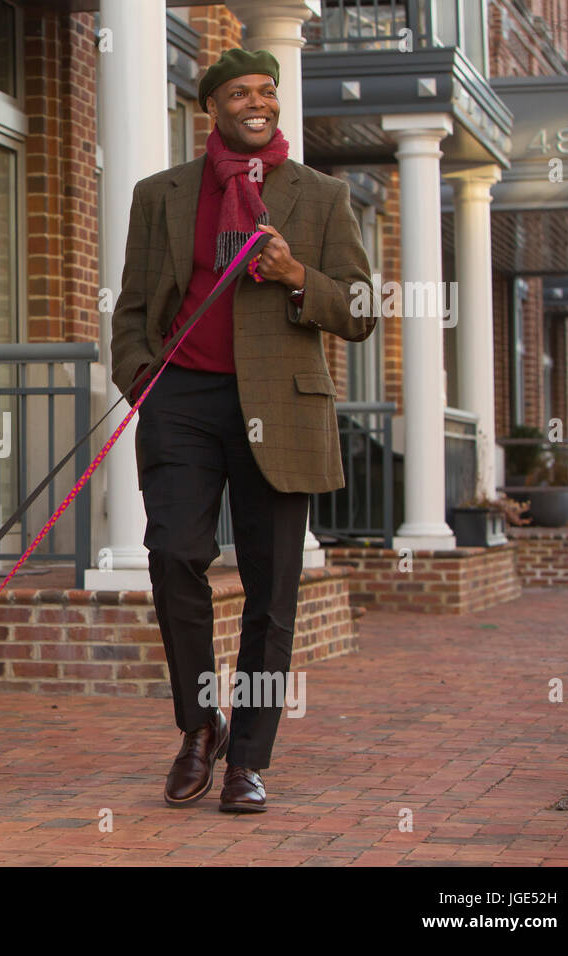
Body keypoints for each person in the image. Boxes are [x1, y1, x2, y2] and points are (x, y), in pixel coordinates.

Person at [109, 48, 375, 813]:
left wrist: (298, 279)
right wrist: (142, 382)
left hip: (282, 407)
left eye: (267, 91)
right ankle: (199, 726)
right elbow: (132, 308)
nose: (257, 102)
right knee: (174, 558)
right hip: (182, 400)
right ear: (212, 107)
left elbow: (359, 310)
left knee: (271, 592)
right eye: (239, 93)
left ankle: (248, 760)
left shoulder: (322, 197)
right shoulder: (161, 194)